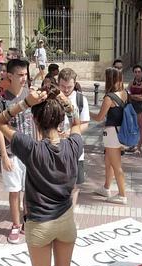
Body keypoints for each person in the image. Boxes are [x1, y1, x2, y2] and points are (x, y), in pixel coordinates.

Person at [0, 84, 82, 266]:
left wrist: (25, 103)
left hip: (40, 224)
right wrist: (66, 103)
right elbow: (78, 122)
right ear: (60, 120)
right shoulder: (73, 143)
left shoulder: (30, 148)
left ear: (34, 121)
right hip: (66, 220)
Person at [0, 59, 36, 244]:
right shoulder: (0, 99)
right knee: (14, 191)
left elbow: (37, 123)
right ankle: (15, 225)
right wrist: (4, 155)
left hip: (31, 151)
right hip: (12, 153)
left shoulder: (31, 96)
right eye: (20, 75)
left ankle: (27, 221)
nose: (24, 78)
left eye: (26, 74)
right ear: (10, 76)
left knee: (29, 191)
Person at [90, 67, 128, 205]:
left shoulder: (109, 98)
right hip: (121, 131)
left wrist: (87, 113)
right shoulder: (125, 93)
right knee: (108, 161)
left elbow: (99, 117)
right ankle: (106, 187)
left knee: (116, 165)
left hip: (112, 133)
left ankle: (122, 195)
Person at [58, 68, 90, 207]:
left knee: (75, 185)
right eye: (62, 86)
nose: (66, 90)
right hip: (55, 147)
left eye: (69, 87)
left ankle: (70, 216)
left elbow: (85, 124)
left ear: (75, 83)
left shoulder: (80, 99)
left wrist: (71, 132)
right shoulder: (51, 98)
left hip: (74, 149)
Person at [127, 65, 142, 154]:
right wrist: (135, 96)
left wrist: (133, 96)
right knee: (131, 126)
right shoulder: (131, 82)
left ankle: (139, 146)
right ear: (133, 73)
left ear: (141, 72)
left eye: (139, 72)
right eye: (135, 72)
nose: (137, 73)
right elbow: (127, 94)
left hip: (139, 107)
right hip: (131, 106)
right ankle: (132, 145)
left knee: (140, 126)